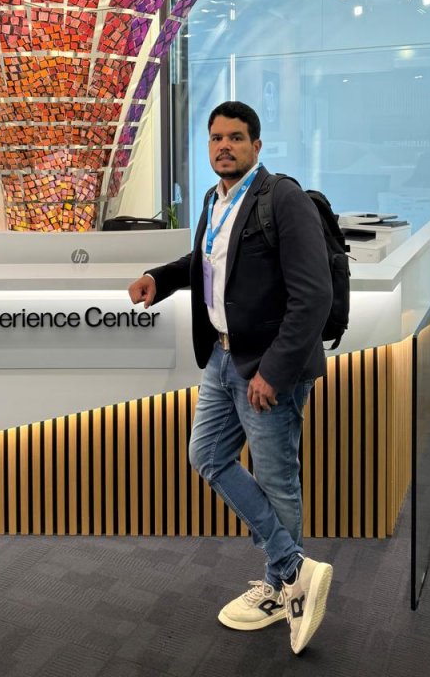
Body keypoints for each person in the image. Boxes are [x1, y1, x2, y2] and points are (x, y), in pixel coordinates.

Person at [128, 101, 334, 655]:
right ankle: (293, 569)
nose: (224, 146)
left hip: (266, 366)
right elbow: (204, 263)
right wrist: (159, 279)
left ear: (256, 146)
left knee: (276, 478)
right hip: (222, 358)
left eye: (236, 138)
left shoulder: (282, 198)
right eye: (216, 138)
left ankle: (281, 590)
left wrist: (274, 371)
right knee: (207, 455)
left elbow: (314, 297)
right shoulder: (214, 199)